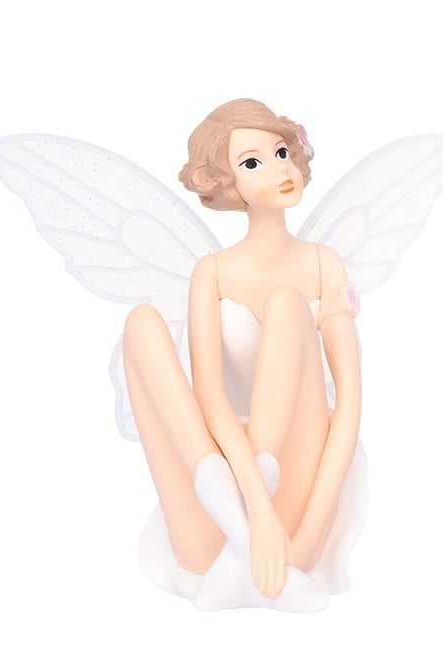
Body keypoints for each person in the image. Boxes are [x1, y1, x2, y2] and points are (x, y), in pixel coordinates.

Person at [124, 99, 365, 611]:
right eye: (252, 163)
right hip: (221, 499)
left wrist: (307, 537)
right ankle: (239, 530)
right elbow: (209, 399)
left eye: (281, 153)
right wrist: (253, 506)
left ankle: (252, 539)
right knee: (140, 324)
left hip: (295, 498)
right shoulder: (211, 273)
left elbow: (349, 405)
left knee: (286, 305)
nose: (279, 169)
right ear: (228, 182)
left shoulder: (323, 266)